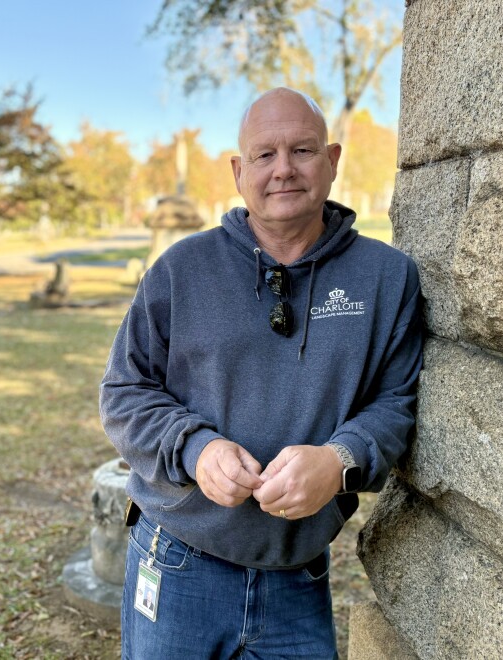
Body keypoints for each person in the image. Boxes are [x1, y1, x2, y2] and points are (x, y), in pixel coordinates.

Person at [99, 87, 423, 659]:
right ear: (237, 170)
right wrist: (195, 449)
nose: (283, 170)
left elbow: (396, 402)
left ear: (333, 160)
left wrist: (340, 458)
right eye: (263, 155)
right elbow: (125, 391)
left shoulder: (387, 277)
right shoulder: (180, 269)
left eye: (301, 150)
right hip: (177, 559)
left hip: (298, 573)